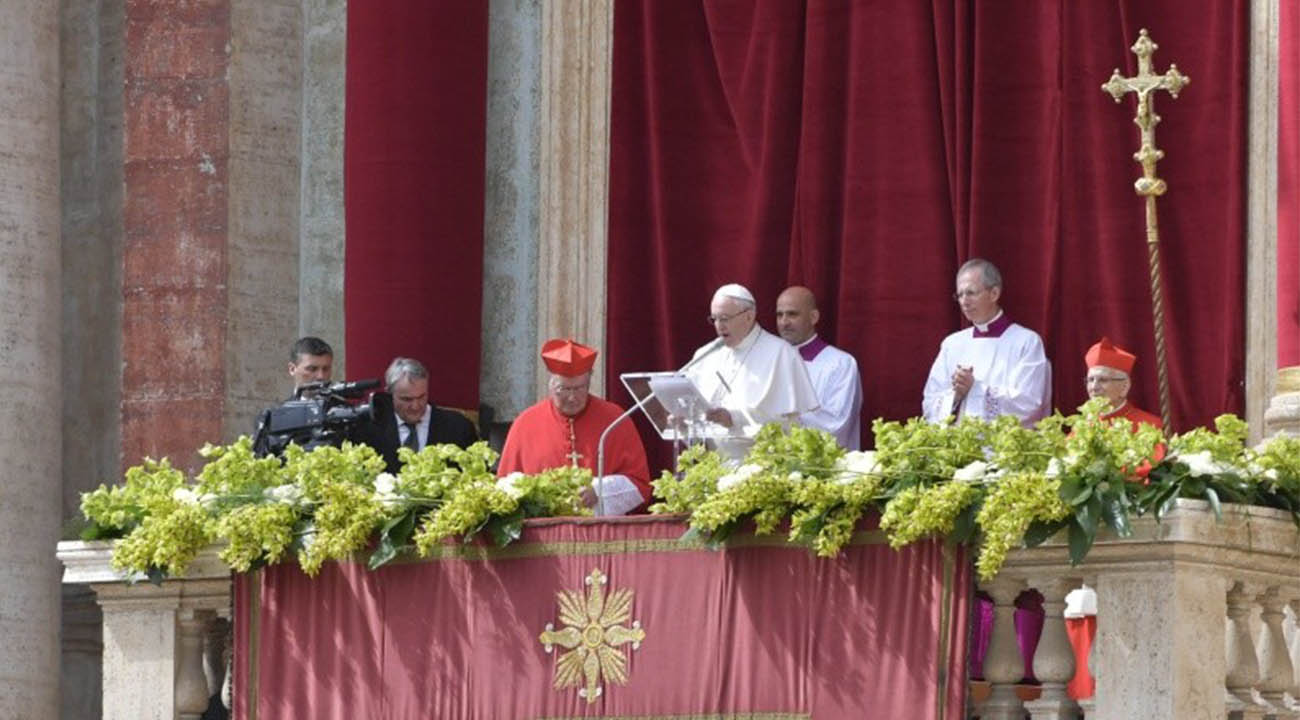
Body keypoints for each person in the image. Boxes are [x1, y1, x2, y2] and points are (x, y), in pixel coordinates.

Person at [497, 339, 652, 515]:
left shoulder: (615, 419)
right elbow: (503, 489)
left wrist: (600, 491)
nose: (572, 397)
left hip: (600, 534)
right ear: (551, 384)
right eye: (563, 389)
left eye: (579, 388)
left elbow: (640, 485)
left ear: (589, 382)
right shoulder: (525, 423)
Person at [684, 283, 819, 457]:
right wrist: (684, 420)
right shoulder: (705, 355)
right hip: (712, 466)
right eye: (714, 319)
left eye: (724, 318)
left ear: (748, 316)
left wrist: (733, 418)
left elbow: (788, 422)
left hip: (762, 468)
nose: (719, 326)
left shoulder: (781, 353)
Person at [921, 259, 1051, 426]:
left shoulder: (1026, 342)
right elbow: (930, 401)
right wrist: (955, 396)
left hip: (1004, 448)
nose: (964, 301)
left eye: (971, 293)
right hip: (957, 447)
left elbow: (1030, 403)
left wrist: (975, 388)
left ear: (994, 294)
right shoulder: (952, 344)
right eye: (960, 295)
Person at [775, 285, 863, 449]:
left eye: (792, 314)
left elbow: (838, 424)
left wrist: (787, 414)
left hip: (824, 468)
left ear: (814, 317)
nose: (784, 322)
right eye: (779, 315)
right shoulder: (771, 362)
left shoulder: (840, 364)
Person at [365, 357, 479, 474]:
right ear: (389, 394)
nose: (415, 406)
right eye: (407, 399)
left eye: (421, 397)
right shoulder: (371, 429)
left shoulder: (458, 427)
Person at [1084, 336, 1163, 429]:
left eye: (1103, 380)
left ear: (1125, 386)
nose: (1094, 387)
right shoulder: (1082, 428)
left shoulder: (1151, 426)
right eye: (1090, 380)